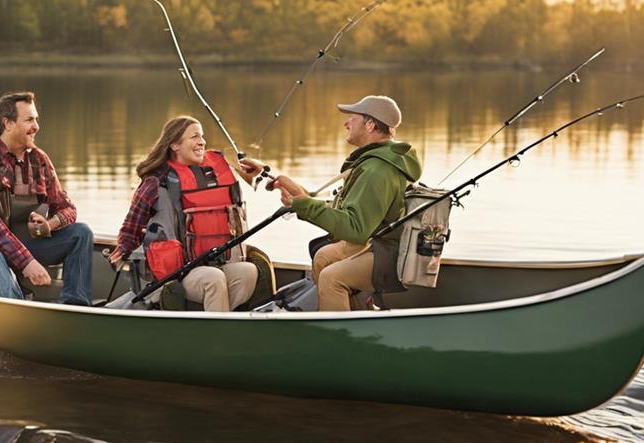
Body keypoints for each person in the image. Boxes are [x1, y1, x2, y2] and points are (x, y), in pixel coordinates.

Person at [243, 95, 422, 311]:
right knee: (323, 256)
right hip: (375, 245)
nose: (346, 123)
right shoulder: (372, 162)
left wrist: (304, 205)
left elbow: (355, 230)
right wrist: (288, 187)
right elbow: (341, 210)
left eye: (352, 118)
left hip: (387, 253)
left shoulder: (377, 170)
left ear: (370, 124)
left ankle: (340, 338)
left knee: (331, 278)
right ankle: (358, 317)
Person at [0, 91, 93, 305]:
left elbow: (67, 208)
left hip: (18, 239)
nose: (36, 126)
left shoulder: (39, 159)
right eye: (29, 120)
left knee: (82, 233)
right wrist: (26, 262)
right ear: (7, 123)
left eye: (36, 119)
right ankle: (19, 319)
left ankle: (76, 308)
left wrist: (49, 225)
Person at [109, 116, 258, 312]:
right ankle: (218, 333)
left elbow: (253, 176)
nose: (202, 142)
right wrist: (122, 251)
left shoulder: (214, 173)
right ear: (174, 144)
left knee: (248, 271)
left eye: (202, 136)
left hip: (215, 263)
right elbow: (132, 225)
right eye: (194, 136)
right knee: (213, 279)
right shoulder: (156, 182)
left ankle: (213, 320)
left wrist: (255, 167)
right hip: (175, 274)